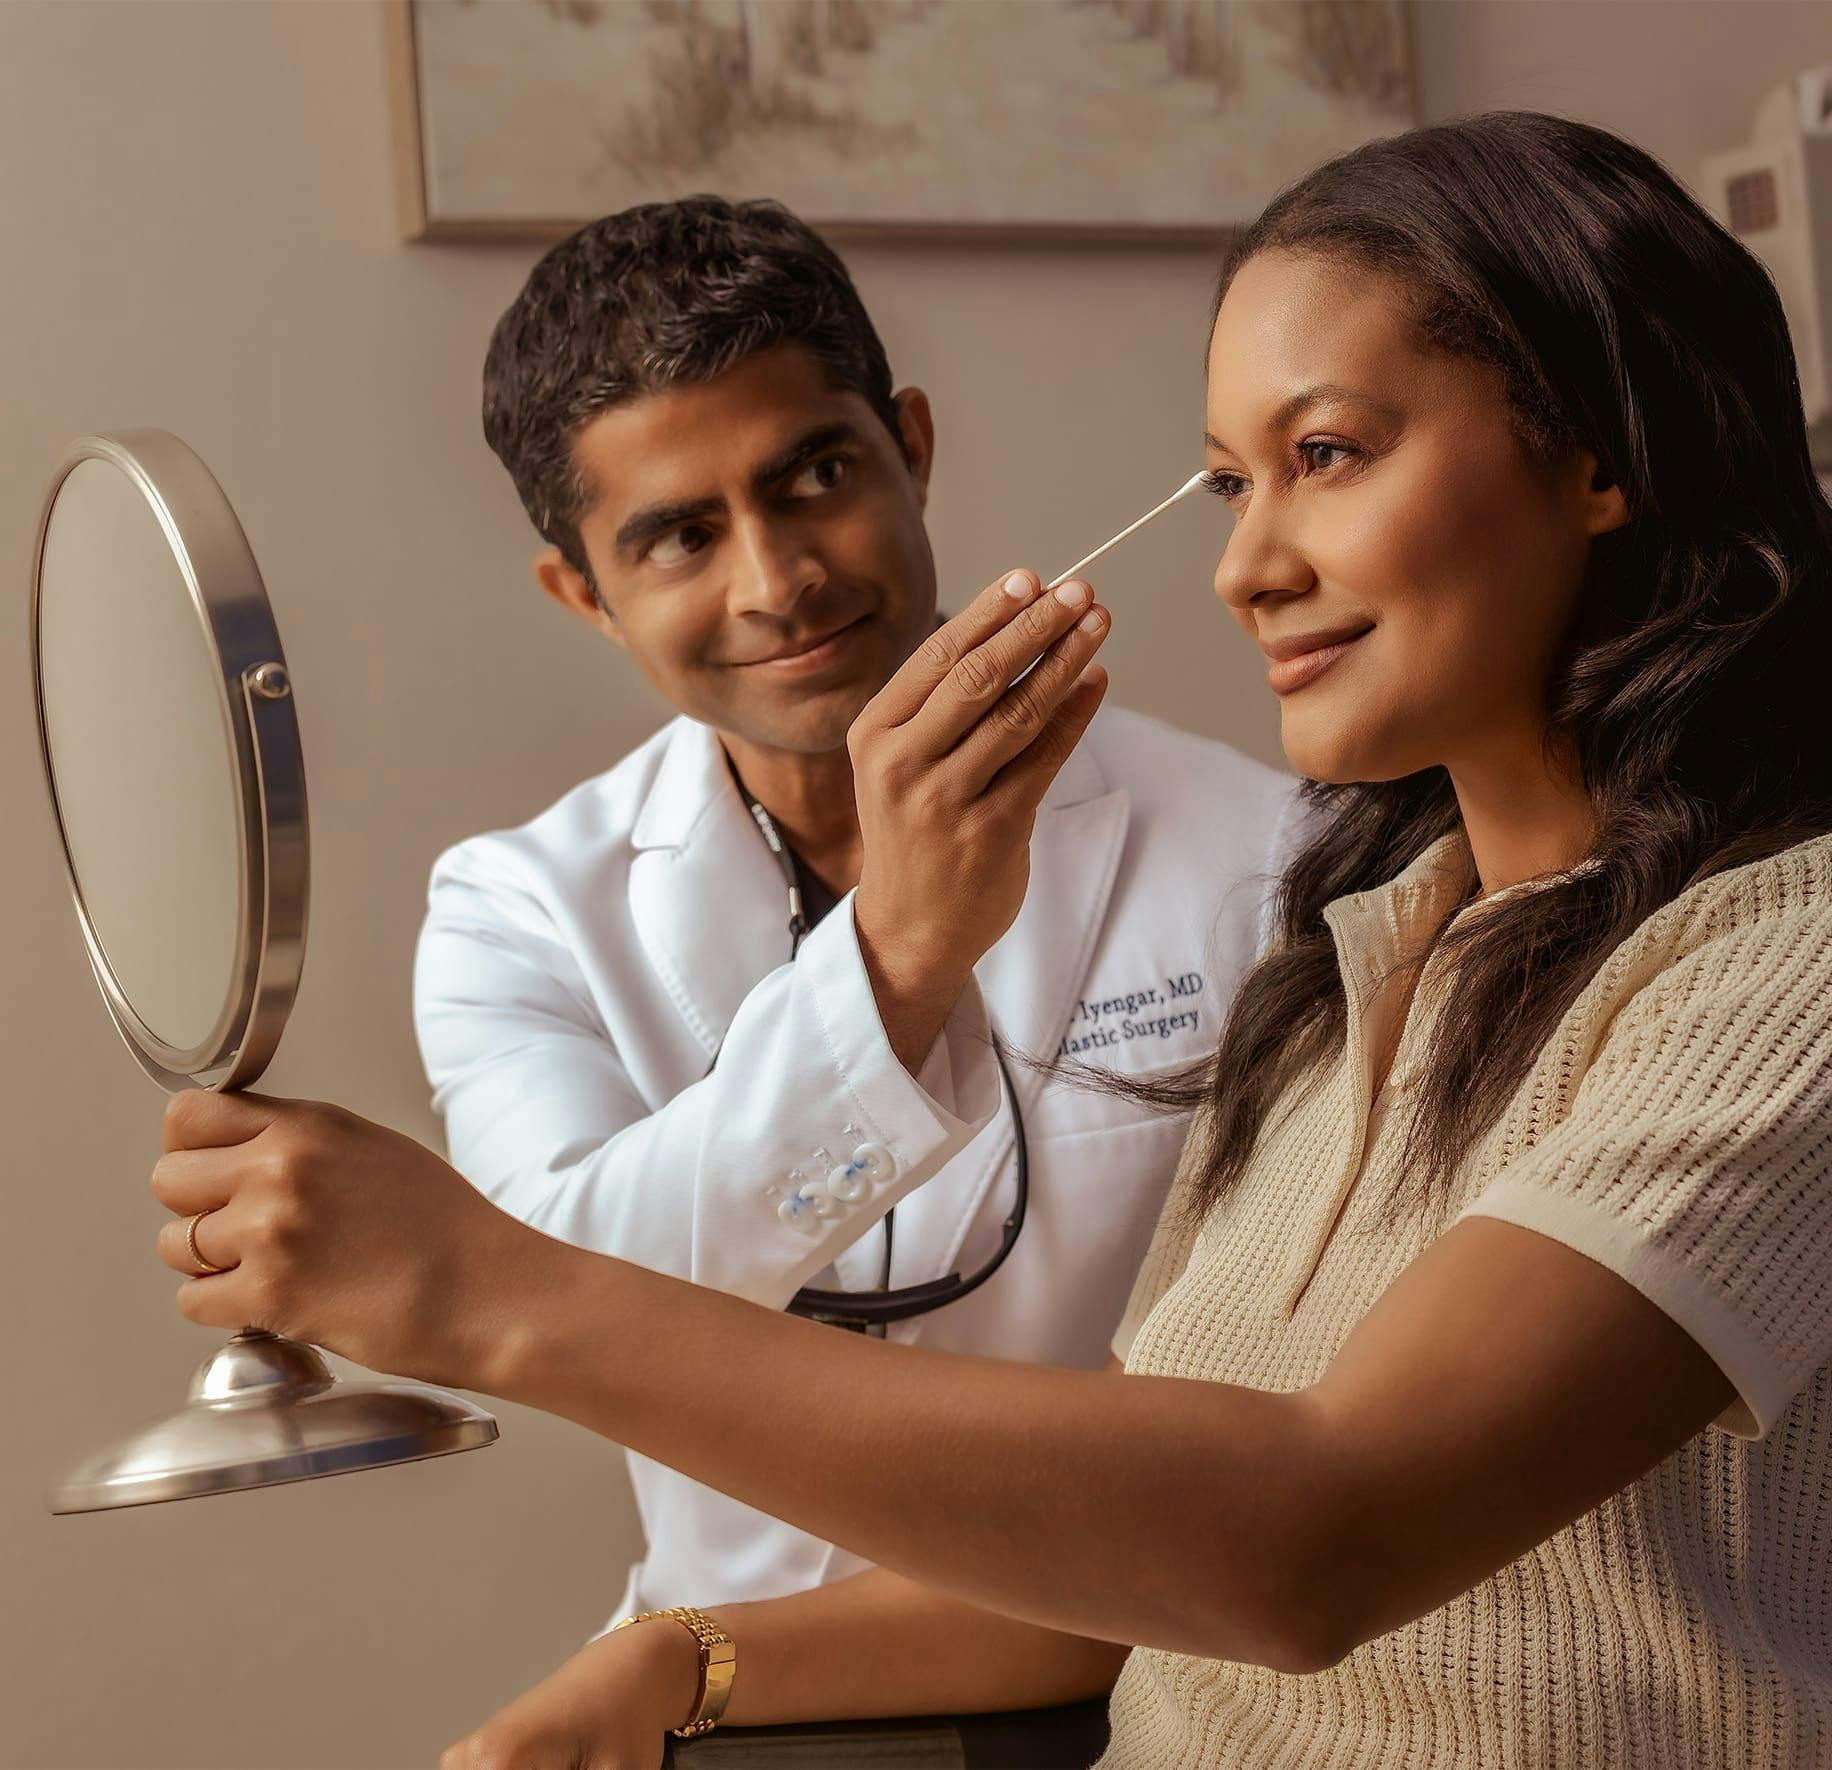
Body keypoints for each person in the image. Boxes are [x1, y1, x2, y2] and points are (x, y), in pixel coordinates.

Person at [153, 111, 1832, 1770]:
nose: (1243, 567)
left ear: (1598, 453)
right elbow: (1132, 1567)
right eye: (1230, 483)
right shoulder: (1363, 960)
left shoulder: (1750, 962)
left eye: (1323, 454)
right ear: (580, 592)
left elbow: (1308, 1529)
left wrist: (490, 1284)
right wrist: (681, 1655)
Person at [414, 198, 1295, 1656]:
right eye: (680, 537)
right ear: (585, 594)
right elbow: (567, 1309)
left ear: (914, 448)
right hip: (715, 1681)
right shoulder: (518, 915)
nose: (779, 582)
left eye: (817, 476)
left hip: (1164, 1678)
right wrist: (897, 955)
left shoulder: (1265, 855)